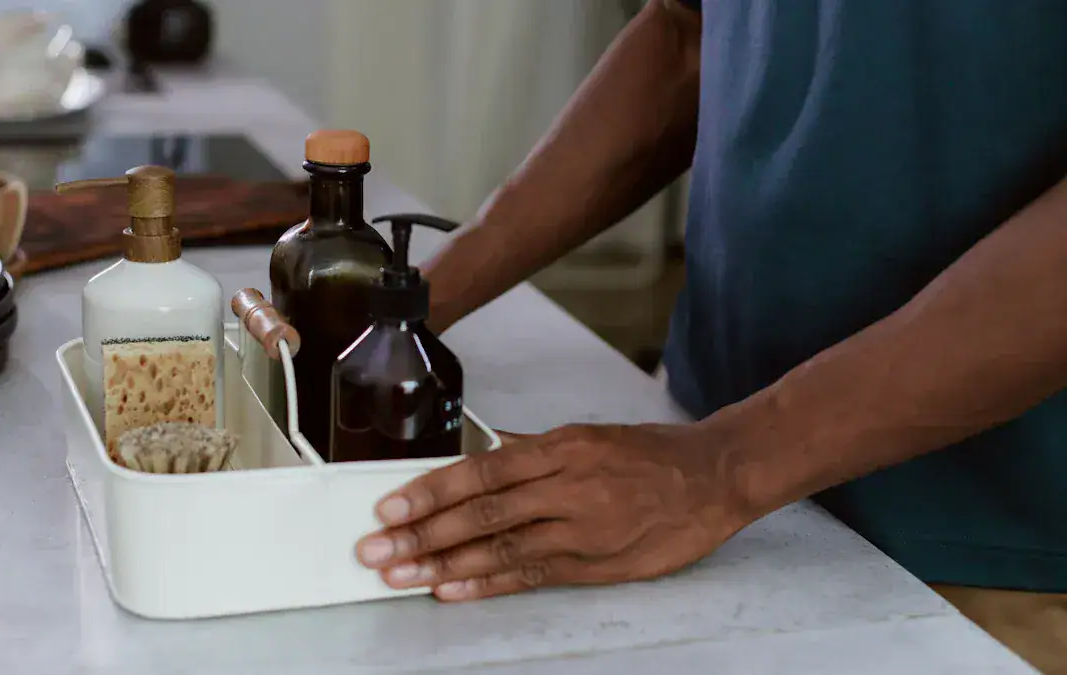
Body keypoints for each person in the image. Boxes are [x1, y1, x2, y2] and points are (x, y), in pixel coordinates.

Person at [353, 1, 1067, 671]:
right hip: (688, 463)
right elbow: (688, 36)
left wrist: (728, 466)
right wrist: (415, 299)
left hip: (990, 553)